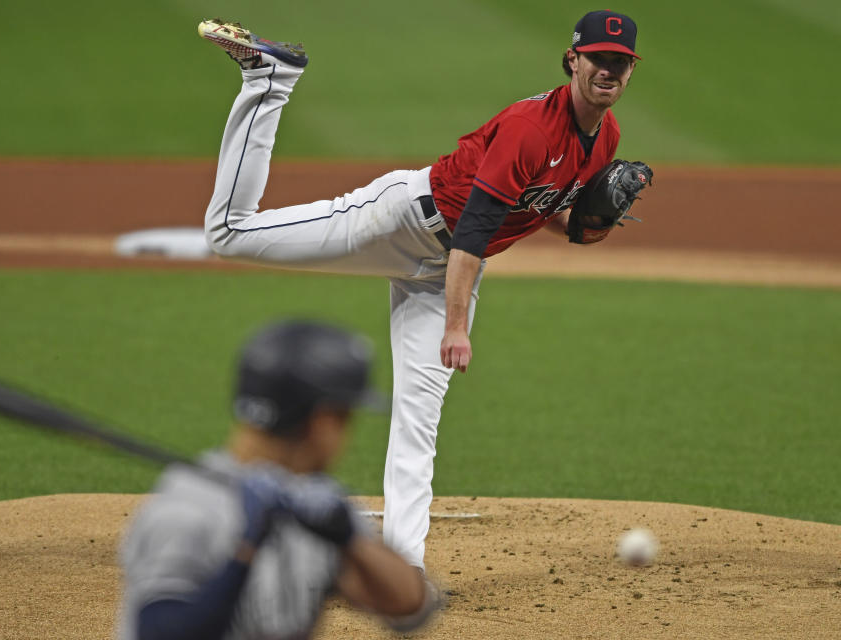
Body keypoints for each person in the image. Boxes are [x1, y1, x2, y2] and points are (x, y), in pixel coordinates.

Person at [197, 10, 649, 570]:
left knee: (419, 416)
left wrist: (586, 228)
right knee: (229, 234)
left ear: (630, 71)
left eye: (620, 63)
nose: (609, 70)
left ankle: (404, 567)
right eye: (599, 59)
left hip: (445, 272)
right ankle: (270, 80)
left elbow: (548, 212)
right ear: (573, 59)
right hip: (399, 223)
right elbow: (475, 230)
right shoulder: (530, 129)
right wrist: (456, 326)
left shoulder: (606, 137)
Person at [117, 320, 443, 639]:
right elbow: (159, 631)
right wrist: (246, 548)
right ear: (324, 421)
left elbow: (409, 607)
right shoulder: (187, 510)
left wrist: (348, 538)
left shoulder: (314, 502)